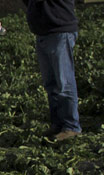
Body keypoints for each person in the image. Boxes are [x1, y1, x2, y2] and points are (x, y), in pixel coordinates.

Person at [23, 0, 82, 141]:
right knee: (51, 83)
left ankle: (71, 126)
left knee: (64, 82)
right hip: (44, 32)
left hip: (60, 30)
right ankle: (58, 124)